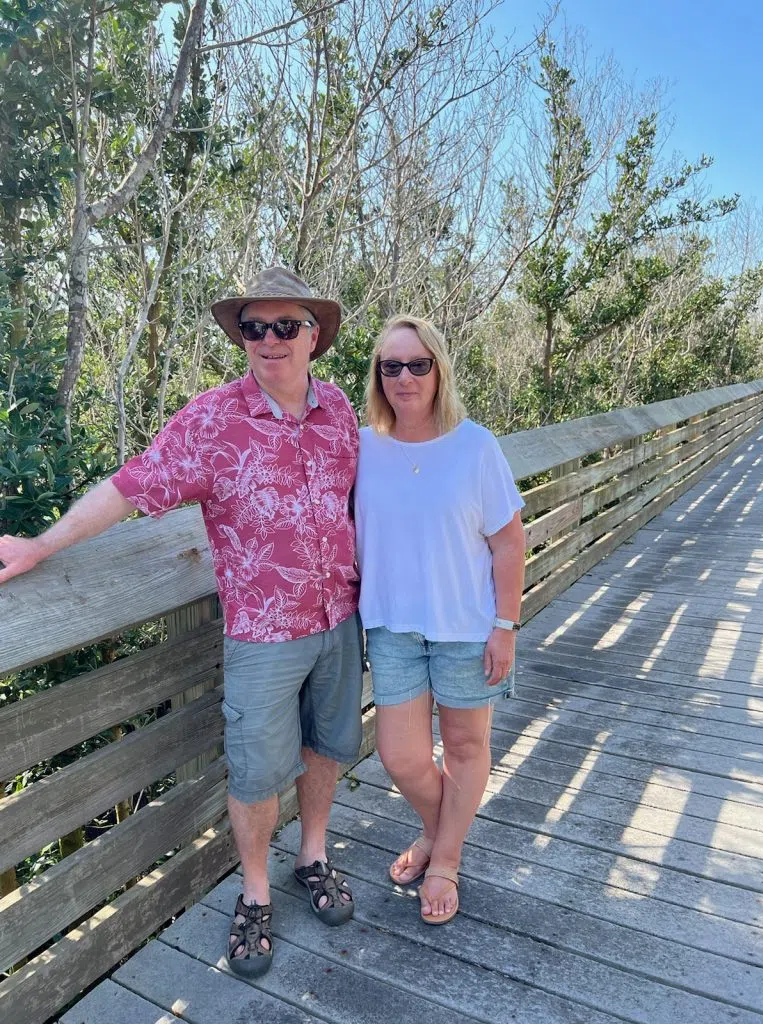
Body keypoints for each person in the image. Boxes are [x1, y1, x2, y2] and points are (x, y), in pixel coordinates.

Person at [0, 267, 364, 977]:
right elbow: (131, 486)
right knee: (258, 773)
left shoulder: (341, 412)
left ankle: (313, 855)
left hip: (340, 618)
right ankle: (256, 892)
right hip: (262, 633)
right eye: (252, 328)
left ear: (313, 335)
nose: (267, 340)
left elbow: (373, 497)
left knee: (329, 745)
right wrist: (43, 543)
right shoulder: (214, 421)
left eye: (284, 326)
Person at [354, 314, 525, 925]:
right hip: (393, 625)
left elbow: (509, 542)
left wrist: (506, 625)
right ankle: (438, 829)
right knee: (400, 756)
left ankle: (444, 857)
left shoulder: (475, 445)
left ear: (439, 370)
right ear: (378, 376)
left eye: (417, 364)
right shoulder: (363, 445)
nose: (404, 377)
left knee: (464, 744)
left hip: (466, 624)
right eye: (390, 366)